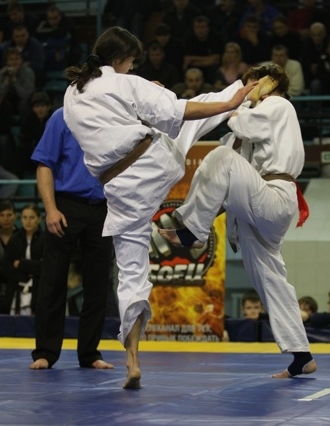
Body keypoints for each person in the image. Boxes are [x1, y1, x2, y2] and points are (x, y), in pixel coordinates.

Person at [62, 26, 256, 388]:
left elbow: (106, 124)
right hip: (153, 163)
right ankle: (245, 90)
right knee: (191, 121)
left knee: (131, 275)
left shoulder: (73, 91)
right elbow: (179, 110)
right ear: (121, 58)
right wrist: (227, 104)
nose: (132, 68)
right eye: (131, 62)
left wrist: (142, 97)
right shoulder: (127, 83)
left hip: (118, 189)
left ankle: (132, 360)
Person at [156, 63, 315, 380]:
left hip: (276, 194)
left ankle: (191, 232)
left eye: (252, 84)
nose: (247, 90)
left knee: (220, 156)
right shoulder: (246, 128)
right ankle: (302, 356)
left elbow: (240, 125)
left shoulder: (277, 105)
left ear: (270, 83)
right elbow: (223, 185)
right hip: (260, 204)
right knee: (270, 279)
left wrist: (232, 103)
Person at [29, 107, 114, 371]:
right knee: (53, 280)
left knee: (98, 284)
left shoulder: (114, 115)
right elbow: (44, 164)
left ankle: (89, 353)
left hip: (103, 207)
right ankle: (45, 352)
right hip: (66, 204)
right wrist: (50, 209)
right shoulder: (62, 117)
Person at [4, 203, 42, 315]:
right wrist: (24, 274)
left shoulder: (45, 239)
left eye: (32, 217)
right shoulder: (15, 239)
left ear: (39, 219)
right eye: (25, 217)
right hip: (16, 290)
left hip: (38, 290)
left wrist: (21, 264)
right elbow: (6, 265)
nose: (28, 221)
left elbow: (45, 267)